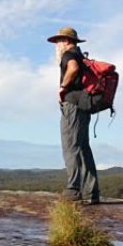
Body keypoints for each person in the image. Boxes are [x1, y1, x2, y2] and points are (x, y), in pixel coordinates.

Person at [47, 27, 100, 205]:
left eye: (59, 41)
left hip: (73, 106)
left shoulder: (69, 55)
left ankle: (73, 190)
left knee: (70, 146)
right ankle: (92, 192)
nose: (57, 45)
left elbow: (73, 69)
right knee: (83, 147)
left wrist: (63, 87)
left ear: (68, 41)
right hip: (84, 105)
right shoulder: (80, 55)